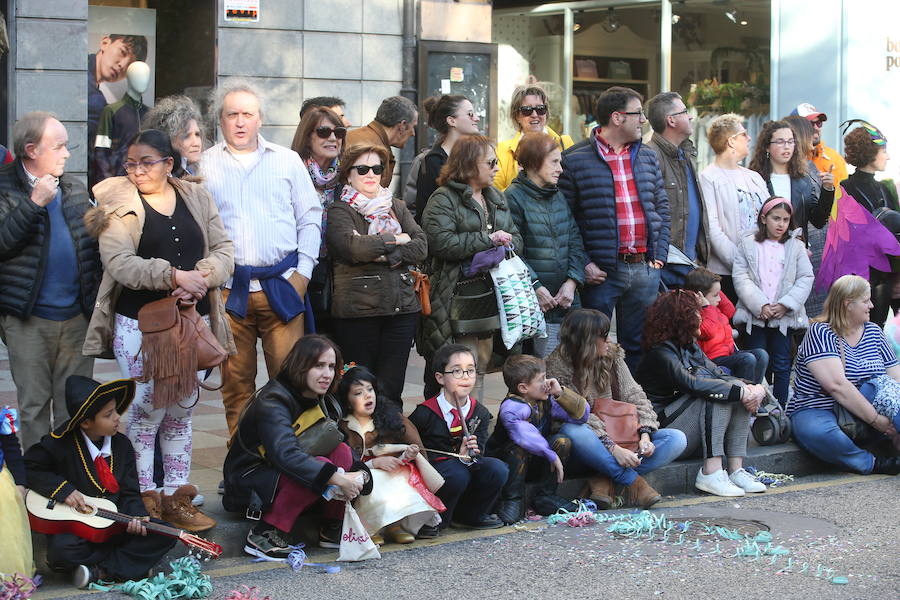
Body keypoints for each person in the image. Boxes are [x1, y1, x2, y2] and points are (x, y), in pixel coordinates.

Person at [84, 129, 234, 531]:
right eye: (130, 163)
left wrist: (203, 275)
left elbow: (224, 250)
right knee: (145, 413)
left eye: (146, 162)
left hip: (193, 323)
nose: (136, 171)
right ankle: (145, 496)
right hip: (141, 327)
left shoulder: (196, 196)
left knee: (182, 412)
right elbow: (119, 263)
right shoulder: (117, 203)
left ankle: (176, 496)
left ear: (169, 164)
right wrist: (173, 276)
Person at [202, 79, 322, 437]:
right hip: (227, 291)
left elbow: (311, 217)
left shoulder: (286, 161)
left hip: (283, 287)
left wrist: (303, 274)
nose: (240, 122)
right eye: (232, 114)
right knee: (235, 387)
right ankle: (243, 466)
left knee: (292, 383)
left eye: (247, 114)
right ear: (220, 121)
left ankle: (292, 465)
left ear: (261, 119)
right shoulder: (204, 165)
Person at [0, 112, 101, 451]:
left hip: (76, 318)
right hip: (28, 321)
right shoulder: (4, 185)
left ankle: (74, 481)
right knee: (34, 407)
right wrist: (33, 204)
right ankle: (40, 488)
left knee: (75, 407)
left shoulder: (72, 186)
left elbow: (92, 247)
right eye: (58, 146)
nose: (67, 153)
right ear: (31, 150)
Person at [223, 335, 373, 555]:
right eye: (319, 366)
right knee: (320, 466)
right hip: (249, 483)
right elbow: (286, 455)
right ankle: (264, 534)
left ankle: (332, 528)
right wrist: (339, 478)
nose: (327, 374)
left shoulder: (316, 395)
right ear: (300, 366)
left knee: (340, 452)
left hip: (278, 475)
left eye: (331, 367)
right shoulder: (273, 401)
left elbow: (336, 443)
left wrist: (362, 475)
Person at [24, 376, 177, 589]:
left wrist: (135, 516)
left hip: (114, 524)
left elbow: (130, 492)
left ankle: (100, 571)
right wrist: (62, 490)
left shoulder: (122, 446)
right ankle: (129, 567)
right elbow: (29, 467)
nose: (117, 418)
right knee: (62, 550)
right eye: (108, 414)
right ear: (86, 422)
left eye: (115, 410)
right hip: (80, 529)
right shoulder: (60, 444)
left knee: (164, 533)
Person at [558, 86, 670, 372]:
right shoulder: (574, 158)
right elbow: (565, 220)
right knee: (591, 346)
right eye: (638, 114)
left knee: (638, 346)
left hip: (645, 266)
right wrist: (583, 263)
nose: (643, 120)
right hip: (602, 272)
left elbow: (661, 209)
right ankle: (593, 409)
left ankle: (632, 410)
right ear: (618, 118)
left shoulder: (647, 156)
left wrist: (660, 257)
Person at [546, 309, 687, 508]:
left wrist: (645, 435)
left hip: (624, 438)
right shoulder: (558, 367)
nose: (609, 340)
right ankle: (634, 483)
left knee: (676, 439)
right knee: (573, 430)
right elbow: (578, 416)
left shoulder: (613, 357)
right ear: (586, 341)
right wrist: (613, 449)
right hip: (587, 447)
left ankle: (604, 479)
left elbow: (636, 395)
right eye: (603, 336)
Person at [418, 135, 522, 400]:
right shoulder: (443, 198)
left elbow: (517, 238)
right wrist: (487, 240)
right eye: (490, 162)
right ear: (468, 164)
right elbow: (440, 242)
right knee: (458, 367)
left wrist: (504, 245)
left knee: (482, 365)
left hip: (492, 295)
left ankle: (474, 424)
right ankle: (452, 430)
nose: (497, 167)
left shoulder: (495, 195)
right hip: (454, 295)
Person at [636, 292, 768, 497]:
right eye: (695, 312)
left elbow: (719, 374)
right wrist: (739, 391)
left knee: (733, 390)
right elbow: (693, 384)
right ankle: (711, 472)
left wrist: (756, 389)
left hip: (695, 426)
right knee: (719, 393)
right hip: (666, 429)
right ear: (681, 317)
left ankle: (735, 470)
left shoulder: (690, 347)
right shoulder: (660, 353)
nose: (701, 317)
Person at [327, 142, 427, 407]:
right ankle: (359, 445)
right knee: (358, 388)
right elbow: (351, 248)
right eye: (362, 169)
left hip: (402, 310)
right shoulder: (340, 210)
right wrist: (397, 239)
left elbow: (421, 246)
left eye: (377, 168)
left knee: (391, 390)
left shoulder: (396, 205)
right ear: (348, 173)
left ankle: (389, 442)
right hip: (358, 313)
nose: (371, 174)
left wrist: (380, 250)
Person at [789, 275, 900, 475]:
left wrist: (893, 415)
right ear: (848, 304)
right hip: (821, 407)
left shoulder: (874, 332)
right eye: (866, 301)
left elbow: (896, 378)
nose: (872, 305)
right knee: (821, 433)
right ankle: (871, 463)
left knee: (881, 389)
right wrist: (877, 420)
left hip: (867, 406)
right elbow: (837, 386)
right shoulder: (821, 332)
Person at [337, 366, 444, 543]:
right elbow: (348, 462)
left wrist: (408, 455)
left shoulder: (391, 419)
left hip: (392, 470)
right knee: (374, 481)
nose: (367, 395)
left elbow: (408, 450)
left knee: (400, 476)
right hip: (362, 475)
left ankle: (396, 525)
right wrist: (374, 464)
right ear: (347, 401)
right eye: (358, 393)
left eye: (370, 389)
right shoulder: (345, 428)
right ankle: (373, 527)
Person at [505, 132, 587, 357]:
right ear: (533, 162)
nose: (560, 168)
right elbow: (511, 252)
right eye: (554, 162)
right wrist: (536, 286)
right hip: (535, 305)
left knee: (572, 370)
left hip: (567, 300)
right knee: (539, 375)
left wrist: (572, 282)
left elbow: (575, 241)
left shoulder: (557, 194)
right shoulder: (512, 197)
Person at [408, 344, 507, 530]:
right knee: (456, 473)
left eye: (470, 371)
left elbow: (480, 454)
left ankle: (470, 515)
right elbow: (414, 452)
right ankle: (436, 520)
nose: (465, 377)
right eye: (456, 371)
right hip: (436, 474)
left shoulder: (480, 413)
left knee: (497, 469)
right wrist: (455, 457)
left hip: (463, 470)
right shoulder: (424, 413)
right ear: (440, 378)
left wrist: (469, 456)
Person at [486, 354, 586, 524]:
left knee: (562, 441)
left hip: (536, 461)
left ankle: (545, 496)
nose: (547, 383)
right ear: (523, 388)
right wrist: (551, 455)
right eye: (541, 380)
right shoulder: (511, 407)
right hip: (508, 465)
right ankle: (512, 499)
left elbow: (580, 417)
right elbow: (525, 435)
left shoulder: (544, 400)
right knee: (518, 447)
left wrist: (561, 394)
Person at [732, 198, 814, 405]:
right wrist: (760, 305)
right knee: (759, 360)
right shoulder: (748, 245)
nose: (781, 224)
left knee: (782, 362)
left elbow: (806, 277)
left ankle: (780, 406)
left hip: (784, 318)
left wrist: (786, 304)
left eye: (786, 220)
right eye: (776, 218)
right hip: (756, 316)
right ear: (763, 218)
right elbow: (741, 277)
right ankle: (758, 406)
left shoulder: (796, 246)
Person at [699, 113, 770, 301]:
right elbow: (712, 229)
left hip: (762, 270)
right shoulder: (709, 177)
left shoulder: (754, 177)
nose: (749, 138)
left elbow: (771, 215)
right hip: (727, 273)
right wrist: (741, 263)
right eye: (744, 134)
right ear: (731, 141)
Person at [290, 106, 347, 333]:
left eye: (339, 132)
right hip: (299, 269)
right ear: (307, 137)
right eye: (323, 132)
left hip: (338, 273)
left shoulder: (350, 174)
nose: (333, 138)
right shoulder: (291, 172)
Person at [645, 92, 710, 288]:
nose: (690, 116)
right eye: (684, 112)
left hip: (688, 264)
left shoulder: (686, 154)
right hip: (665, 267)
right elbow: (649, 213)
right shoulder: (650, 156)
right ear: (671, 120)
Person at [842, 122, 899, 327]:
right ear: (870, 152)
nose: (888, 156)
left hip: (885, 281)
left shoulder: (887, 188)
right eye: (884, 151)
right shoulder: (844, 189)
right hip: (856, 282)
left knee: (878, 333)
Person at [747, 120, 832, 245]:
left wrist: (827, 190)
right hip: (764, 251)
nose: (786, 146)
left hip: (796, 252)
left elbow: (818, 221)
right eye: (780, 142)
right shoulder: (755, 179)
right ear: (767, 146)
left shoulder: (803, 179)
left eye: (790, 141)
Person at [683, 267, 768, 384]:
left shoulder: (715, 308)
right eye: (715, 295)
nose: (719, 299)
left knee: (761, 355)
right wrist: (707, 307)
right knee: (748, 359)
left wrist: (716, 291)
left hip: (728, 353)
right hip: (711, 359)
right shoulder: (694, 313)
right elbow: (707, 332)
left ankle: (755, 391)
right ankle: (744, 395)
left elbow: (730, 311)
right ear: (699, 296)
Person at [88, 34, 149, 186]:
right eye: (122, 52)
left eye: (129, 65)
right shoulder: (99, 103)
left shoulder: (99, 97)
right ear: (105, 42)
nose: (122, 65)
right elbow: (100, 152)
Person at [494, 84, 574, 191]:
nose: (535, 114)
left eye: (540, 109)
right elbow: (496, 195)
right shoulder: (502, 150)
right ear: (517, 115)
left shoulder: (565, 143)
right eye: (527, 110)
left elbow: (575, 186)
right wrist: (521, 181)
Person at [414, 94, 481, 222]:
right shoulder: (433, 162)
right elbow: (427, 214)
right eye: (470, 114)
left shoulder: (475, 157)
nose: (477, 118)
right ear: (451, 121)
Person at [345, 96, 418, 188]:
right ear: (402, 126)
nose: (413, 133)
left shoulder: (355, 136)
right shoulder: (370, 148)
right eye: (413, 127)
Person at [0, 406, 33, 578]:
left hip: (0, 483)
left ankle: (6, 574)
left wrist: (20, 483)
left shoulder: (2, 418)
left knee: (6, 531)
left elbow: (12, 449)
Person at [141, 95, 205, 177]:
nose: (196, 143)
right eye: (186, 136)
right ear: (167, 140)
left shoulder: (196, 171)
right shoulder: (157, 180)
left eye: (197, 134)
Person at [790, 103, 849, 190]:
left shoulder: (834, 157)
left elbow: (845, 198)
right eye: (810, 123)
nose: (816, 128)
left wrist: (828, 188)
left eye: (819, 123)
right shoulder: (786, 159)